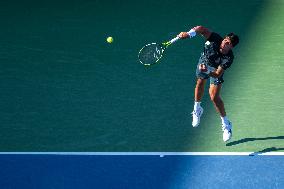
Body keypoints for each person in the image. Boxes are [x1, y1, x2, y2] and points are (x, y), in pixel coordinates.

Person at [178, 26, 239, 142]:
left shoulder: (228, 58)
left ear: (231, 46)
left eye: (228, 42)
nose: (225, 42)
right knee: (200, 82)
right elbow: (201, 28)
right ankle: (197, 109)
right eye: (225, 39)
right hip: (204, 61)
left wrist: (206, 70)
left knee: (214, 97)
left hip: (214, 70)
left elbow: (217, 74)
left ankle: (226, 124)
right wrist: (188, 34)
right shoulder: (215, 38)